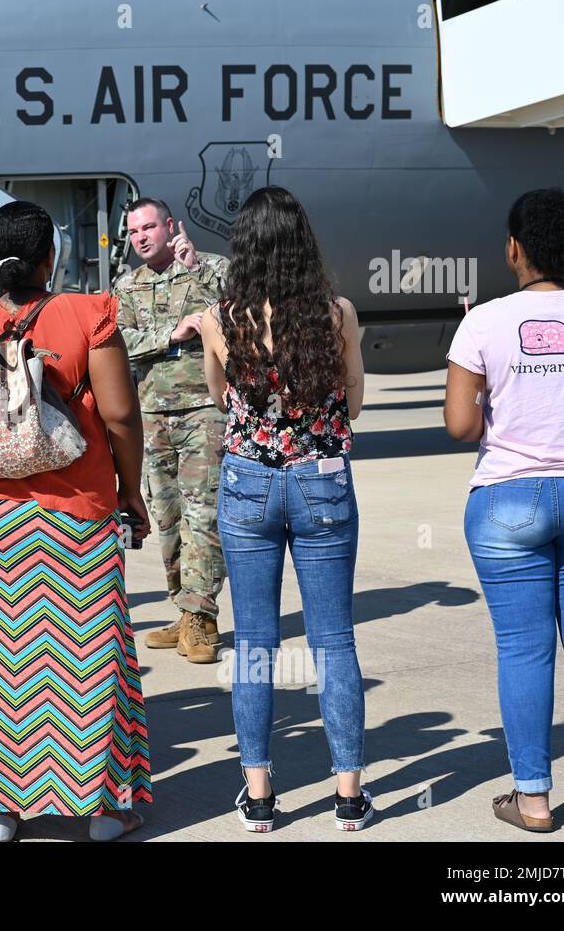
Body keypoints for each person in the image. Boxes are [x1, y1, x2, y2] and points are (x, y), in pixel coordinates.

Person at [0, 201, 152, 842]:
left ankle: (0, 813)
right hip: (79, 515)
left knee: (1, 666)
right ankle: (103, 812)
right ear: (50, 257)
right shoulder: (89, 314)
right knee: (92, 661)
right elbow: (121, 416)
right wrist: (130, 491)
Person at [445, 188, 564, 832]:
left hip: (508, 499)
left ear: (515, 247)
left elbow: (463, 426)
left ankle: (533, 801)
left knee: (523, 651)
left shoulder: (485, 321)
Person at [199, 186, 369, 833]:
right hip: (321, 479)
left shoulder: (221, 319)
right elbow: (353, 405)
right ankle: (349, 796)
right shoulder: (336, 314)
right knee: (334, 642)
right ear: (303, 245)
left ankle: (261, 794)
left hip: (248, 482)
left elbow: (221, 400)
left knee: (255, 646)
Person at [114, 197, 229, 664]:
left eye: (149, 228)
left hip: (204, 410)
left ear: (170, 226)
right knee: (166, 517)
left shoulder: (211, 269)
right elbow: (118, 343)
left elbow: (234, 314)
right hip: (151, 416)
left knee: (204, 513)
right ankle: (184, 608)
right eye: (134, 231)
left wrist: (196, 267)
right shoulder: (127, 286)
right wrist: (170, 334)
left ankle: (202, 617)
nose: (141, 237)